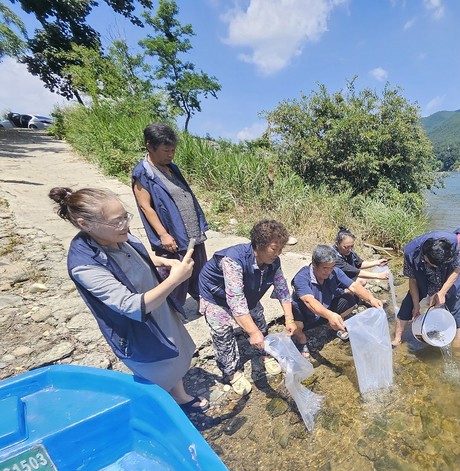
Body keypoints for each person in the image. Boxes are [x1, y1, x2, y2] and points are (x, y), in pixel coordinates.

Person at [50, 186, 208, 414]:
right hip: (136, 324)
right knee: (157, 368)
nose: (125, 224)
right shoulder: (84, 265)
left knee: (175, 352)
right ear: (85, 224)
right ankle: (159, 411)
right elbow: (131, 306)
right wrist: (175, 280)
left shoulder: (117, 235)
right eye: (117, 221)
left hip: (158, 308)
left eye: (125, 216)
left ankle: (180, 396)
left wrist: (165, 262)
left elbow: (139, 253)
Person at [198, 220, 296, 396]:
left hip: (247, 291)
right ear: (259, 244)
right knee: (222, 332)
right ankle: (231, 372)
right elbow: (236, 301)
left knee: (259, 321)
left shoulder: (274, 262)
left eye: (281, 249)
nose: (278, 253)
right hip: (216, 294)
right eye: (274, 249)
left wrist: (289, 318)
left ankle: (264, 353)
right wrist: (252, 332)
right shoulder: (233, 260)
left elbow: (282, 289)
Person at [132, 122, 208, 306]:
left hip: (191, 231)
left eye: (173, 150)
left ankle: (205, 304)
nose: (170, 154)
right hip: (173, 235)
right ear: (150, 147)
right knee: (175, 276)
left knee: (199, 271)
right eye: (166, 150)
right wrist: (163, 234)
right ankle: (171, 311)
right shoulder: (143, 173)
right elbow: (145, 206)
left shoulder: (172, 168)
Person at [291, 245, 384, 357]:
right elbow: (308, 301)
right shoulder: (301, 277)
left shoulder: (335, 272)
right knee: (297, 326)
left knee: (350, 299)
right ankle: (301, 339)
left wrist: (371, 299)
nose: (328, 272)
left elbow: (354, 286)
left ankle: (331, 326)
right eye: (325, 268)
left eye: (331, 268)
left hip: (325, 309)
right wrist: (330, 315)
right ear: (314, 264)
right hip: (305, 313)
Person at [391, 231, 460, 348]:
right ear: (425, 255)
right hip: (423, 274)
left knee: (455, 302)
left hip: (448, 274)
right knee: (408, 304)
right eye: (431, 264)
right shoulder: (410, 252)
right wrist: (416, 305)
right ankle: (397, 338)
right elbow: (413, 280)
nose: (434, 267)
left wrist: (442, 292)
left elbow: (458, 268)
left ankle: (457, 340)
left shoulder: (453, 242)